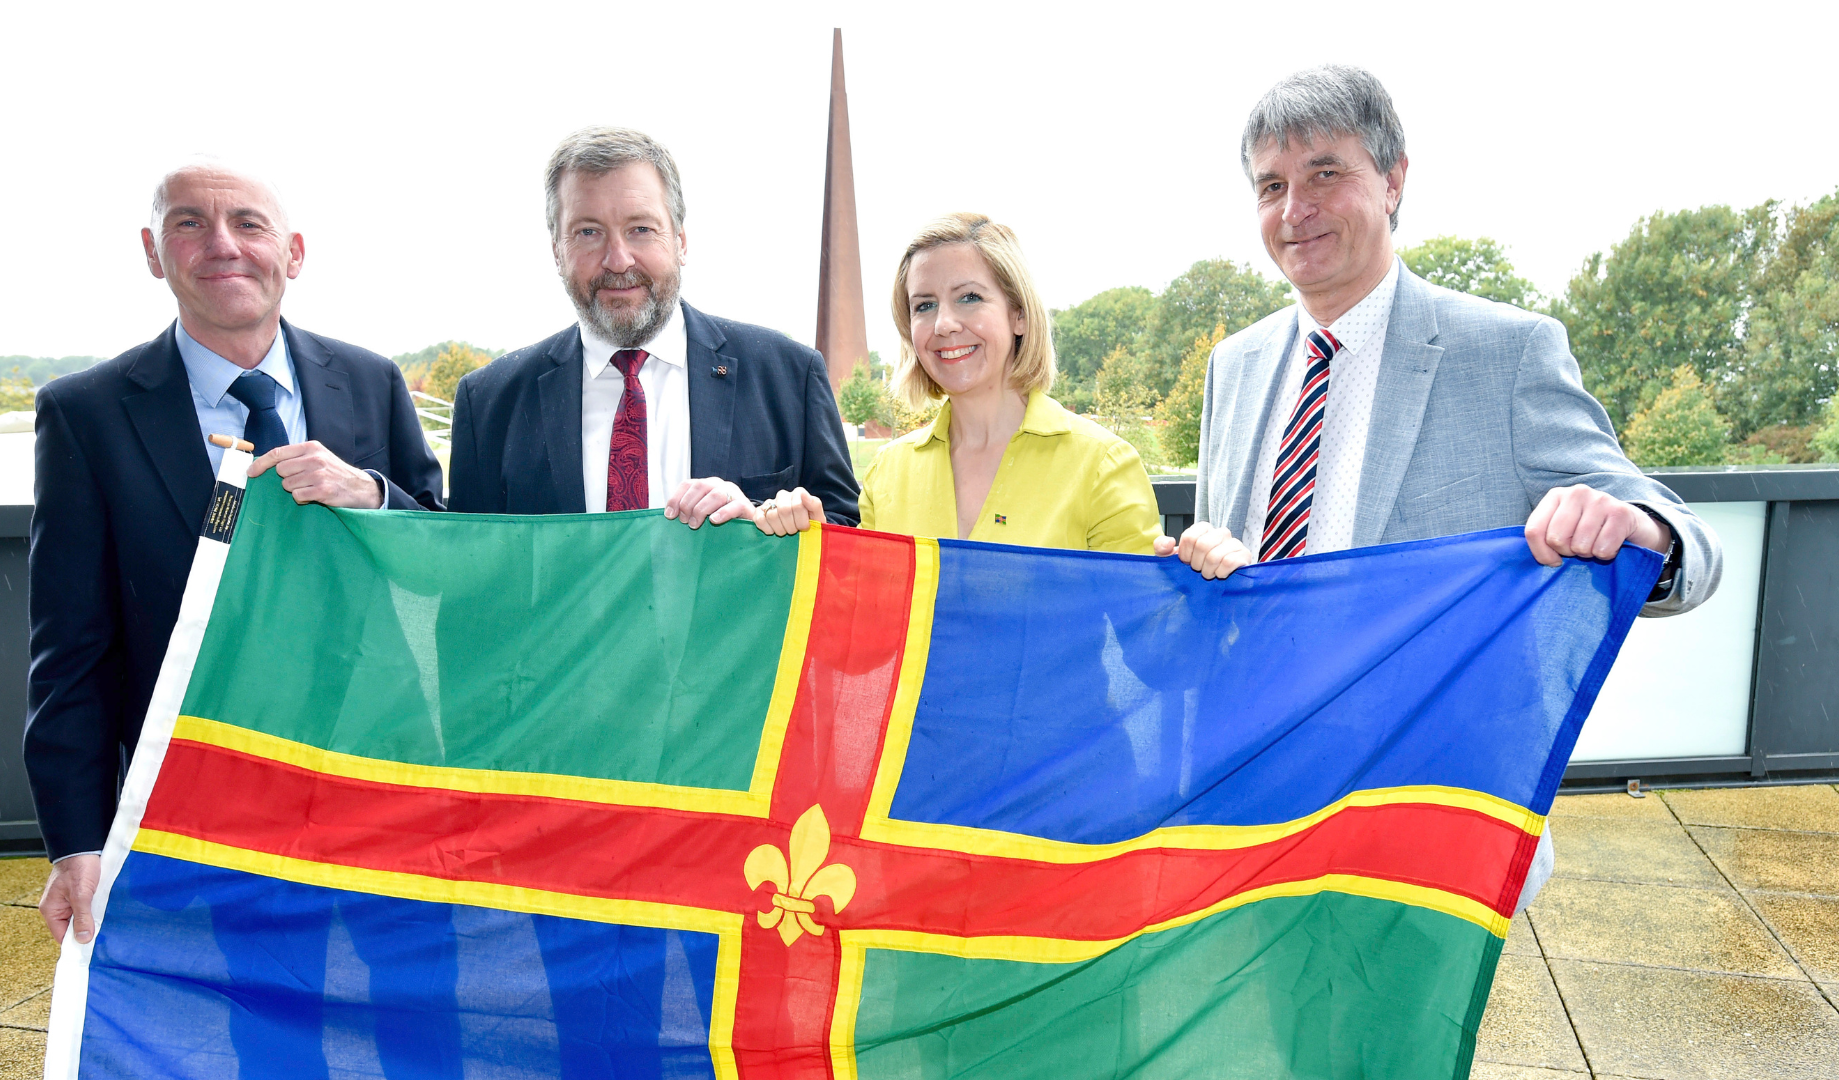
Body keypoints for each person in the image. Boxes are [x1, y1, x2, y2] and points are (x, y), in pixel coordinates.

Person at [1158, 65, 1725, 909]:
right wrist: (1198, 558)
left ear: (1392, 181)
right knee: (1283, 1040)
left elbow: (1693, 548)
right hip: (1264, 789)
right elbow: (1230, 560)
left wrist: (1636, 528)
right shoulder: (1232, 366)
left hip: (1430, 805)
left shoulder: (1507, 351)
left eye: (1325, 173)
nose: (1293, 210)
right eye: (1270, 185)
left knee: (1407, 1038)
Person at [26, 163, 454, 1072]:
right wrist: (76, 840)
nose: (222, 244)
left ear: (292, 253)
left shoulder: (372, 382)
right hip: (200, 791)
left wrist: (370, 495)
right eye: (190, 224)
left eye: (248, 224)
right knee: (248, 1029)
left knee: (417, 1013)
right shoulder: (86, 414)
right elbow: (69, 647)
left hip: (375, 775)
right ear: (153, 254)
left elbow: (445, 551)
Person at [449, 127, 860, 529]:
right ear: (557, 251)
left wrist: (763, 523)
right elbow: (470, 575)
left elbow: (849, 542)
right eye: (588, 232)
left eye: (640, 229)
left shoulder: (788, 376)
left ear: (681, 240)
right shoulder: (487, 405)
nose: (619, 259)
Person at [758, 213, 1161, 553]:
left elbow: (1151, 621)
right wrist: (809, 544)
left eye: (969, 297)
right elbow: (866, 615)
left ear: (1018, 315)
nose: (944, 324)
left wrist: (1208, 561)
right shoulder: (889, 474)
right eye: (925, 305)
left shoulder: (1102, 464)